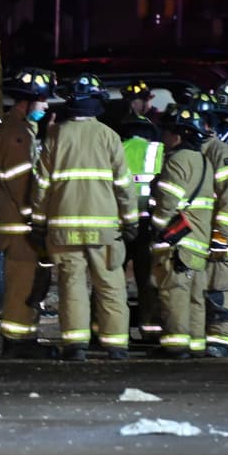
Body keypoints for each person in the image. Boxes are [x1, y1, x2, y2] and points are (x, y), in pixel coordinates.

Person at [31, 72, 138, 361]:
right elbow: (124, 186)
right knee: (111, 285)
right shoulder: (109, 137)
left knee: (71, 286)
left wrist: (39, 223)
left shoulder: (56, 136)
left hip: (64, 230)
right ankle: (116, 345)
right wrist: (130, 221)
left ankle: (75, 345)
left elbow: (42, 186)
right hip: (103, 230)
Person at [0, 68, 57, 358]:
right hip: (20, 227)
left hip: (19, 224)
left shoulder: (21, 129)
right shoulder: (17, 134)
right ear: (28, 101)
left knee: (29, 282)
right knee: (22, 283)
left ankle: (24, 339)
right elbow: (21, 183)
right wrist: (35, 217)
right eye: (42, 101)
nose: (45, 107)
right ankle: (16, 342)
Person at [147, 106, 215, 359]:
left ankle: (175, 345)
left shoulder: (177, 161)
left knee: (174, 293)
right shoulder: (204, 161)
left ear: (178, 134)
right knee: (195, 296)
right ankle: (195, 344)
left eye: (166, 131)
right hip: (198, 240)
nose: (163, 136)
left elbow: (168, 201)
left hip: (178, 241)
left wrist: (157, 224)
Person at [192, 93, 228, 357]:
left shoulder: (221, 153)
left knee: (218, 285)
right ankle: (201, 335)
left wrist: (221, 234)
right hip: (194, 233)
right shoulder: (191, 151)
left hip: (215, 232)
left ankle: (222, 337)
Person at [119, 113, 165, 342]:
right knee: (148, 279)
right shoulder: (158, 151)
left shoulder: (116, 149)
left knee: (113, 279)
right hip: (148, 224)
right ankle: (151, 329)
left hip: (120, 223)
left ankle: (109, 330)